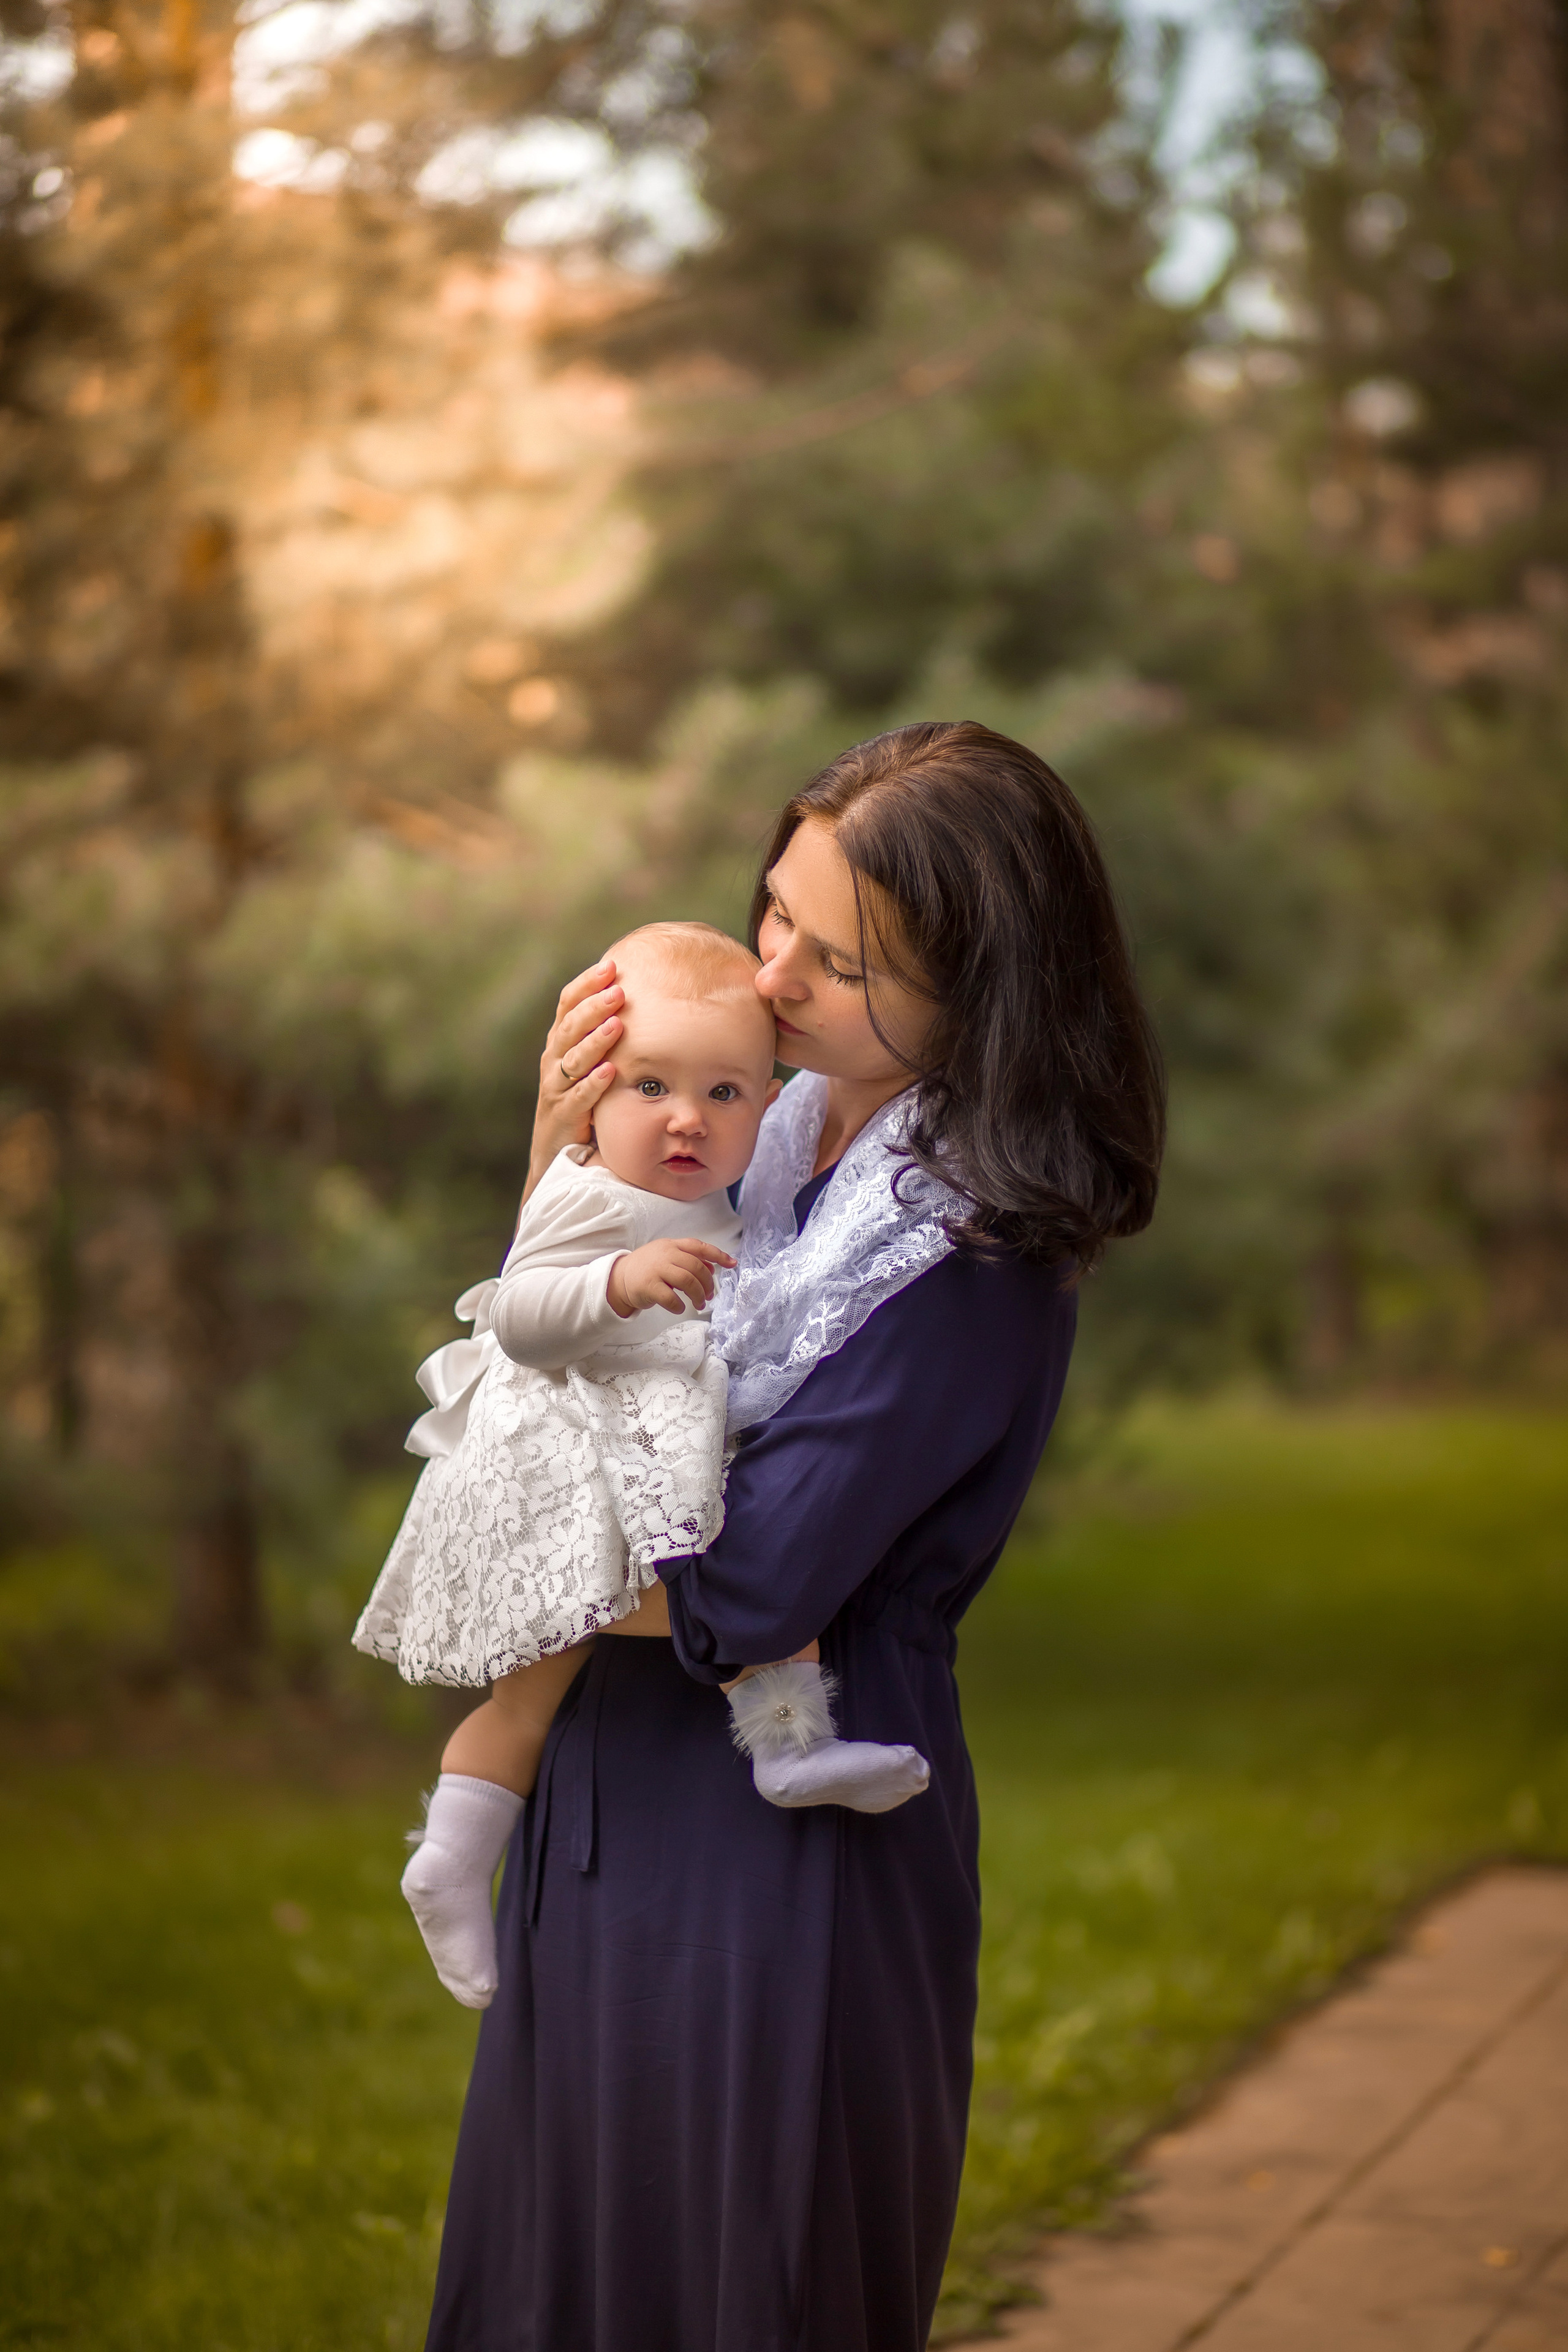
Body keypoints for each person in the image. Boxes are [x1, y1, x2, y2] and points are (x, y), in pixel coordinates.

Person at [424, 720, 1165, 2352]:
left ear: (980, 993)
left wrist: (492, 1537)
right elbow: (553, 1348)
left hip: (784, 1831)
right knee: (558, 2280)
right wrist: (560, 1156)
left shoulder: (971, 1245)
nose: (770, 974)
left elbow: (748, 1578)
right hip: (608, 1772)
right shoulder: (750, 1117)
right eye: (774, 910)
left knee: (743, 2277)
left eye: (839, 962)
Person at [354, 919, 930, 2009]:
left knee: (755, 1580)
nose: (686, 1117)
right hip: (563, 1465)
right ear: (594, 1093)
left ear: (768, 1106)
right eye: (652, 1085)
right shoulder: (585, 1189)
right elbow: (518, 1316)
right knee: (538, 1690)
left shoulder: (735, 1204)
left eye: (725, 1093)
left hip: (647, 1456)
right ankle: (455, 1854)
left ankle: (786, 1751)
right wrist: (617, 1281)